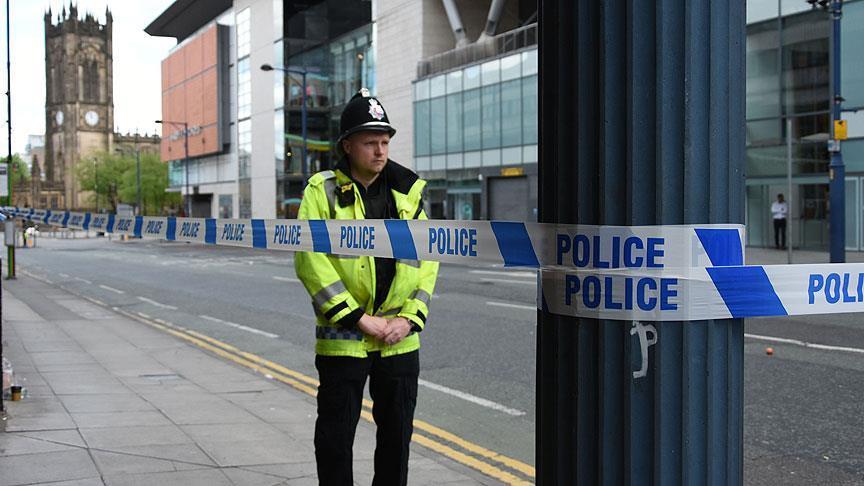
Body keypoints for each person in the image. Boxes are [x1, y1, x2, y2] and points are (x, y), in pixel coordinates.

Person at [294, 88, 439, 486]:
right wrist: (358, 318)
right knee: (335, 440)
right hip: (345, 338)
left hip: (399, 338)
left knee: (396, 441)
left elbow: (428, 260)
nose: (380, 151)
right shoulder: (322, 190)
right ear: (347, 145)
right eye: (370, 142)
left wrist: (409, 319)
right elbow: (310, 260)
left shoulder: (408, 192)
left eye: (385, 142)